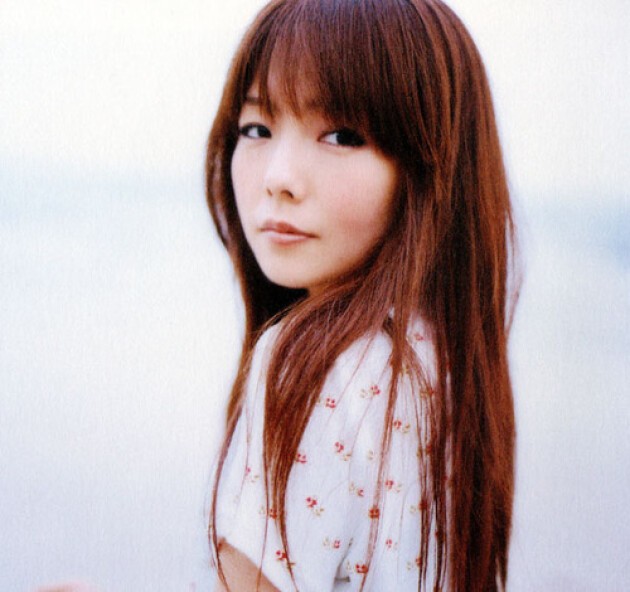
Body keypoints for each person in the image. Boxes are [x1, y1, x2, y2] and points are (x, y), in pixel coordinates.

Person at [206, 0, 518, 590]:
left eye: (342, 135)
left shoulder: (307, 364)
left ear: (428, 173)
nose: (278, 177)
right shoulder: (444, 361)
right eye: (257, 129)